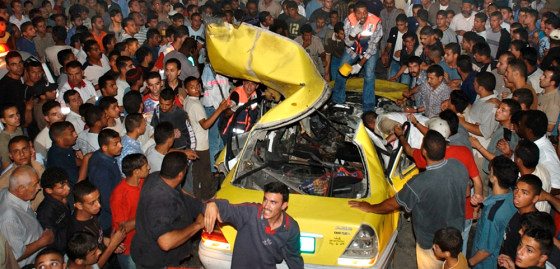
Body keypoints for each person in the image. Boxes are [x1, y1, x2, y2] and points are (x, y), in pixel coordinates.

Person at [349, 131, 470, 269]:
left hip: (431, 244)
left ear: (424, 152)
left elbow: (392, 204)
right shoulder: (458, 166)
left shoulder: (419, 183)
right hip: (455, 237)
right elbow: (466, 192)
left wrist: (370, 207)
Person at [204, 181, 305, 268]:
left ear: (284, 205)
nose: (266, 206)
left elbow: (293, 258)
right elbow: (227, 209)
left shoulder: (290, 227)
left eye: (273, 202)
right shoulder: (249, 213)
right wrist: (213, 204)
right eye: (265, 200)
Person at [131, 152, 205, 268]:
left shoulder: (155, 177)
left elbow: (181, 195)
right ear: (181, 174)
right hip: (155, 261)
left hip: (162, 256)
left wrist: (203, 204)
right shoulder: (161, 201)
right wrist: (198, 225)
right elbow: (166, 242)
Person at [332, 1, 382, 112]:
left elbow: (372, 47)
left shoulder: (375, 22)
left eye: (365, 12)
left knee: (369, 75)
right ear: (354, 13)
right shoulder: (348, 21)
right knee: (341, 71)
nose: (362, 16)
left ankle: (368, 107)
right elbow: (348, 43)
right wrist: (352, 34)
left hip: (369, 50)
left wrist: (359, 65)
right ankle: (338, 100)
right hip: (353, 50)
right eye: (359, 13)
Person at [469, 156, 518, 268]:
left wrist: (468, 263)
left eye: (491, 171)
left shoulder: (492, 214)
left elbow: (485, 251)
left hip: (485, 264)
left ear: (494, 178)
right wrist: (484, 199)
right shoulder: (512, 194)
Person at [183, 77, 227, 200]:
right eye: (192, 87)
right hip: (201, 145)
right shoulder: (196, 105)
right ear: (186, 90)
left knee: (197, 174)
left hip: (193, 143)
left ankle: (197, 198)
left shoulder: (188, 101)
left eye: (198, 86)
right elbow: (205, 125)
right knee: (205, 174)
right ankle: (205, 199)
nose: (197, 89)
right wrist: (219, 109)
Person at [0, 166, 53, 267]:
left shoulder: (5, 192)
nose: (39, 188)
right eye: (35, 185)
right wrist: (42, 242)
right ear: (21, 189)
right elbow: (17, 254)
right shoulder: (9, 219)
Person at [67, 181, 126, 269]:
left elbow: (96, 236)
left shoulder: (89, 212)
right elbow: (91, 267)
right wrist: (112, 245)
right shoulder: (78, 232)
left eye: (98, 199)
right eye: (92, 203)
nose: (98, 205)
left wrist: (106, 241)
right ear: (79, 205)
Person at [110, 153, 149, 269]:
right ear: (136, 171)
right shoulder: (119, 194)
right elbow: (123, 227)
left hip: (143, 240)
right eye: (145, 166)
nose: (149, 167)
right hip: (128, 247)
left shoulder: (143, 182)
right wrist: (147, 215)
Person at [498, 174, 541, 263]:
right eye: (516, 189)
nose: (517, 194)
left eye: (524, 192)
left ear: (535, 198)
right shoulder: (519, 211)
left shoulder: (531, 225)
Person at [86, 129, 123, 234]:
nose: (120, 146)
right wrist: (120, 216)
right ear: (104, 147)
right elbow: (106, 200)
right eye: (116, 144)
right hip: (108, 220)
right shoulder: (101, 170)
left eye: (119, 142)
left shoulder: (103, 156)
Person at [36, 167, 71, 252]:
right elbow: (55, 243)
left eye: (67, 183)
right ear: (49, 190)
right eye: (62, 187)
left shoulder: (64, 197)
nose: (68, 188)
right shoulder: (45, 213)